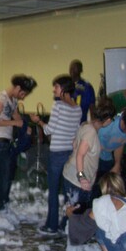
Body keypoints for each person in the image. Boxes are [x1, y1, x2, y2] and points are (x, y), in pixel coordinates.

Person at [31, 75, 82, 236]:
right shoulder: (78, 109)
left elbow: (49, 130)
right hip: (70, 153)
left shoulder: (58, 106)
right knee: (69, 191)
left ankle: (51, 225)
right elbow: (75, 132)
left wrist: (38, 121)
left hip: (57, 153)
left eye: (56, 87)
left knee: (53, 191)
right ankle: (66, 224)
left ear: (64, 89)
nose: (54, 90)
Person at [61, 98, 116, 216]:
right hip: (77, 181)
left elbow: (74, 143)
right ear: (107, 121)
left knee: (71, 211)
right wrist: (82, 177)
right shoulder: (91, 132)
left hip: (71, 175)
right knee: (76, 215)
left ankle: (67, 231)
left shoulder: (86, 125)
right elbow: (80, 155)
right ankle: (71, 233)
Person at [0, 74, 37, 211]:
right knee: (2, 176)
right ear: (17, 88)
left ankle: (4, 203)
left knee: (8, 175)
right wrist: (14, 123)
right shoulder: (1, 99)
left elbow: (17, 117)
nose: (23, 97)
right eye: (23, 93)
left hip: (7, 142)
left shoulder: (13, 100)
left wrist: (25, 127)